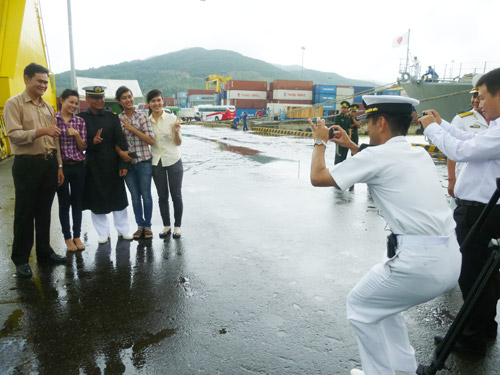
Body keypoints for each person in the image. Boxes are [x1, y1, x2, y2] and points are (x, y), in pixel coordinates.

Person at [309, 95, 461, 375]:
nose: (365, 125)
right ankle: (403, 369)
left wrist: (320, 141)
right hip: (449, 258)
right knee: (386, 307)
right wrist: (352, 146)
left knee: (360, 305)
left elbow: (318, 177)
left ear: (380, 122)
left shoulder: (376, 157)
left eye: (367, 120)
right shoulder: (417, 153)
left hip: (418, 262)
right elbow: (379, 166)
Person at [419, 67, 500, 355]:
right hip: (482, 210)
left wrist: (430, 129)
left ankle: (472, 339)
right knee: (485, 277)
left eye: (482, 96)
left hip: (481, 213)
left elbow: (461, 152)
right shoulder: (495, 129)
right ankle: (484, 327)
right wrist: (442, 125)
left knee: (472, 276)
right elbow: (469, 142)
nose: (479, 103)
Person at [4, 62, 67, 277]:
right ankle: (20, 259)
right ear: (26, 79)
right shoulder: (14, 104)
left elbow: (54, 137)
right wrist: (42, 131)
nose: (43, 85)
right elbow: (13, 135)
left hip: (49, 163)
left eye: (45, 82)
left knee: (44, 211)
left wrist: (58, 165)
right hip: (27, 165)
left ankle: (44, 251)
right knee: (25, 212)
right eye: (39, 81)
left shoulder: (47, 106)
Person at [77, 86, 132, 244]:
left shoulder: (112, 117)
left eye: (101, 97)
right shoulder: (81, 118)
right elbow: (79, 145)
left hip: (113, 162)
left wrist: (123, 164)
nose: (98, 101)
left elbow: (120, 141)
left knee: (118, 198)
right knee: (96, 199)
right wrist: (92, 142)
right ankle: (103, 232)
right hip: (93, 164)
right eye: (94, 98)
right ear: (87, 99)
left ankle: (123, 230)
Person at [115, 86, 155, 240]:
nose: (128, 100)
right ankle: (139, 226)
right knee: (135, 197)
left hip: (144, 161)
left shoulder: (142, 117)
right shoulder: (117, 119)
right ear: (119, 101)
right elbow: (116, 141)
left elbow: (151, 140)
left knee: (146, 195)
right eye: (124, 98)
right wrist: (120, 153)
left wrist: (132, 129)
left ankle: (148, 226)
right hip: (128, 164)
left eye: (130, 96)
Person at [447, 75, 489, 210]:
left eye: (479, 97)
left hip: (489, 183)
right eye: (473, 96)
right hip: (464, 179)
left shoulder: (495, 120)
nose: (475, 100)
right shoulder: (461, 120)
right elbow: (452, 151)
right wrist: (452, 179)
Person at [147, 89, 183, 239]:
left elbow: (179, 143)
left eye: (159, 100)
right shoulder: (147, 121)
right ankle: (166, 225)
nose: (156, 103)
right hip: (156, 161)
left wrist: (176, 132)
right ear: (148, 103)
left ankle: (177, 227)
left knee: (176, 195)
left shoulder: (171, 118)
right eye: (153, 101)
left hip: (173, 160)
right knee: (162, 196)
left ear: (163, 101)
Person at [55, 89, 87, 252]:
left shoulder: (79, 121)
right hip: (60, 167)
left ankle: (77, 236)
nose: (74, 105)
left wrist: (76, 135)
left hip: (78, 166)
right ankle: (67, 238)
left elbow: (83, 147)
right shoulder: (53, 120)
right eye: (71, 102)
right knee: (64, 203)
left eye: (76, 103)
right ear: (62, 100)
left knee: (77, 202)